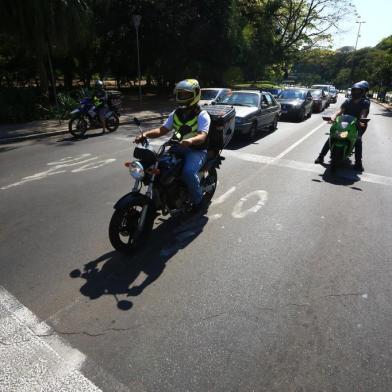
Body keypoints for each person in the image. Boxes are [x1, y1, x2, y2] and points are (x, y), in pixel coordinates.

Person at [135, 79, 211, 212]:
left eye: (185, 94)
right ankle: (162, 197)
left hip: (196, 150)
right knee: (158, 167)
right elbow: (162, 130)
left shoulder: (202, 115)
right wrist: (145, 134)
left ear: (196, 94)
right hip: (177, 148)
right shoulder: (176, 113)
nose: (182, 97)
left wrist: (191, 141)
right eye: (180, 94)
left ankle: (198, 201)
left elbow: (202, 135)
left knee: (188, 172)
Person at [314, 82, 370, 171]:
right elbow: (340, 111)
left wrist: (362, 119)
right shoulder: (348, 101)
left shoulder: (365, 102)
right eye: (354, 90)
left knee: (358, 140)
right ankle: (321, 156)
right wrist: (333, 117)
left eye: (358, 91)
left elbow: (363, 113)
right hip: (344, 123)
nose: (356, 92)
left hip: (358, 124)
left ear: (362, 92)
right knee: (332, 136)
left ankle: (358, 163)